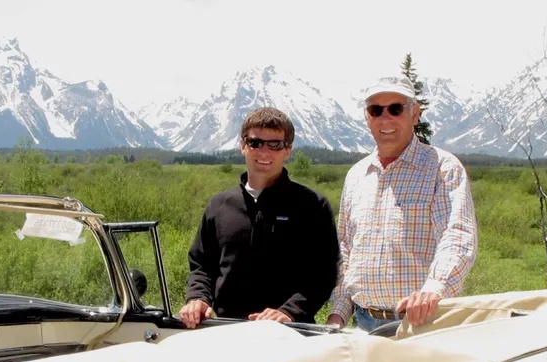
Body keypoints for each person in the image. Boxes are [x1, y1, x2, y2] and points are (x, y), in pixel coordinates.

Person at [326, 74, 477, 335]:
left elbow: (457, 234)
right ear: (367, 117)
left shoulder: (442, 168)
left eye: (396, 109)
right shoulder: (357, 175)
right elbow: (346, 250)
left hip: (422, 324)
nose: (386, 118)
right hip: (363, 324)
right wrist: (338, 312)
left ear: (415, 114)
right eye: (376, 110)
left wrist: (434, 288)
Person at [180, 107, 339, 328]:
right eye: (256, 143)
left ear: (288, 150)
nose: (264, 152)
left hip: (290, 332)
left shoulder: (312, 205)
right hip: (225, 329)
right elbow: (201, 265)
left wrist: (289, 312)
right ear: (243, 146)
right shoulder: (220, 205)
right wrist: (198, 297)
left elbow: (323, 274)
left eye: (275, 144)